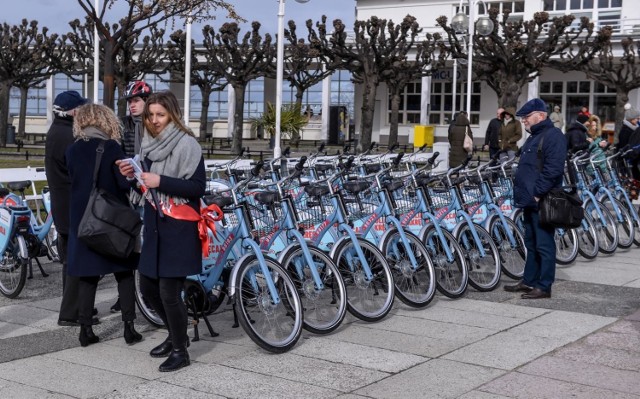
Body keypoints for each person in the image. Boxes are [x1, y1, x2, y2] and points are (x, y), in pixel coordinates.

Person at [118, 91, 206, 372]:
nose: (154, 120)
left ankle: (181, 350)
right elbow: (146, 191)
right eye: (150, 115)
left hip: (178, 227)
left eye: (160, 115)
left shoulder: (188, 144)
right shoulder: (147, 146)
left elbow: (197, 189)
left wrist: (161, 181)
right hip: (155, 226)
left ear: (172, 115)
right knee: (147, 288)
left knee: (170, 293)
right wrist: (132, 178)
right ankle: (176, 334)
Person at [66, 104, 142, 347]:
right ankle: (129, 328)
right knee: (124, 272)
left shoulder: (72, 150)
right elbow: (123, 183)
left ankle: (85, 330)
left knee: (88, 276)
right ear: (106, 121)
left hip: (83, 219)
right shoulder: (111, 148)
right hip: (110, 219)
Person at [44, 90, 99, 327]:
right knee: (77, 260)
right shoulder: (69, 136)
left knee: (70, 259)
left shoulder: (55, 131)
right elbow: (82, 172)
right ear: (73, 111)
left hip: (62, 206)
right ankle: (72, 312)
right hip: (74, 206)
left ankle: (77, 306)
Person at [505, 98, 565, 299]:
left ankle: (544, 285)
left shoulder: (552, 136)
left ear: (540, 115)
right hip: (530, 201)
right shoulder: (534, 137)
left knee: (544, 244)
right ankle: (529, 281)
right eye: (522, 118)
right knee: (531, 243)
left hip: (542, 201)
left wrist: (538, 193)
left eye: (527, 117)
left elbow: (553, 170)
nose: (524, 121)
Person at [110, 80, 153, 315]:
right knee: (130, 245)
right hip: (131, 193)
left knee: (149, 245)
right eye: (129, 102)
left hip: (151, 193)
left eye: (136, 100)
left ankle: (148, 291)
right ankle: (126, 294)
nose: (132, 106)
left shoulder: (154, 126)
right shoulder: (125, 127)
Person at [618, 104, 640, 179]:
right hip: (629, 162)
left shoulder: (634, 128)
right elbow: (624, 148)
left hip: (634, 160)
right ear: (631, 119)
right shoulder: (625, 131)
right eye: (636, 118)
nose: (638, 119)